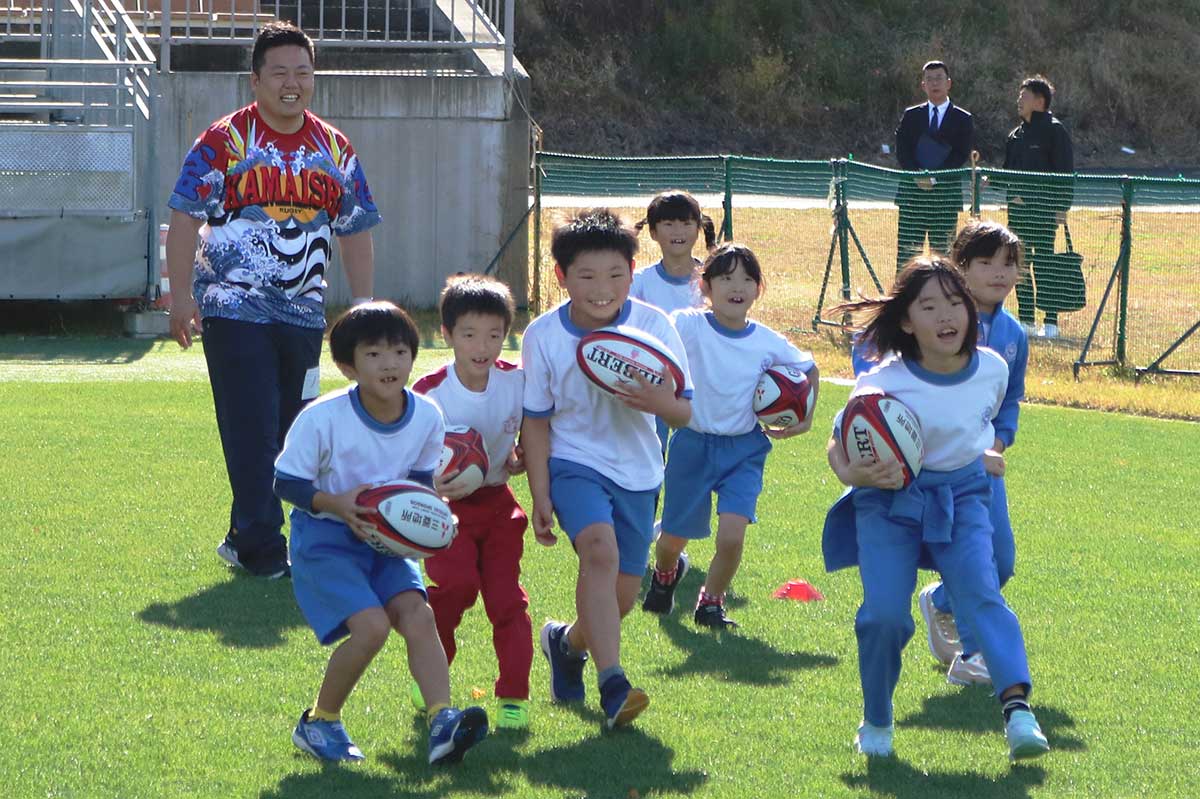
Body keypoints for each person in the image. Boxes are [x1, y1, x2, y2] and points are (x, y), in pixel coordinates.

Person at [165, 21, 380, 579]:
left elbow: (355, 229)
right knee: (252, 423)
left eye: (302, 73)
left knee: (295, 427)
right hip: (233, 308)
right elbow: (185, 216)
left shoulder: (335, 148)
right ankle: (261, 544)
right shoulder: (224, 141)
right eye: (279, 72)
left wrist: (365, 308)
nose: (292, 83)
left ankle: (248, 532)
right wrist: (181, 296)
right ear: (255, 79)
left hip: (304, 313)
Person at [822, 256, 1049, 761]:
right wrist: (851, 472)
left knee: (983, 596)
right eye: (928, 306)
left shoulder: (992, 368)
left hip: (964, 497)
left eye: (954, 302)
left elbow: (979, 423)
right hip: (887, 502)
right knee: (882, 616)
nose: (946, 316)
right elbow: (839, 441)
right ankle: (877, 718)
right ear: (906, 320)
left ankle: (1017, 711)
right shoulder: (885, 381)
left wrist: (981, 453)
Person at [273, 301, 488, 764]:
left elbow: (417, 486)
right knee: (370, 628)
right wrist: (337, 503)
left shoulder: (428, 417)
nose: (389, 363)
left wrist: (435, 519)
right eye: (373, 354)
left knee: (419, 616)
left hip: (385, 543)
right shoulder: (323, 418)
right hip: (326, 538)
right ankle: (319, 722)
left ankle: (441, 722)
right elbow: (286, 481)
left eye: (399, 351)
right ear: (348, 365)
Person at [521, 208, 693, 729]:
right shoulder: (543, 335)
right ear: (560, 277)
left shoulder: (652, 325)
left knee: (618, 599)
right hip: (574, 463)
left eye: (616, 275)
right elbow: (535, 421)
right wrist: (541, 493)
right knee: (598, 551)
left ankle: (565, 644)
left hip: (639, 474)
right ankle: (613, 684)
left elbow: (685, 412)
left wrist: (656, 401)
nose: (603, 288)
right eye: (587, 276)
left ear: (632, 271)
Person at [855, 222, 1029, 686]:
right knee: (974, 565)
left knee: (1002, 562)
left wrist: (993, 446)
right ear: (960, 268)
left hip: (980, 467)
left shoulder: (1012, 336)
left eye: (1009, 264)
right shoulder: (928, 316)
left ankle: (940, 602)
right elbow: (875, 370)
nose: (999, 273)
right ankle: (974, 655)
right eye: (985, 262)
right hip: (921, 473)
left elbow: (1007, 402)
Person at [642, 243, 818, 628]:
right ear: (705, 287)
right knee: (672, 539)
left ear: (759, 288)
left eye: (747, 278)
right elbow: (653, 339)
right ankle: (665, 574)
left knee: (732, 537)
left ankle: (711, 602)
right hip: (692, 444)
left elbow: (810, 368)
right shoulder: (688, 324)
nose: (737, 286)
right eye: (725, 277)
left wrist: (805, 417)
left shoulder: (767, 341)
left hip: (744, 449)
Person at [412, 275, 533, 730]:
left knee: (507, 601)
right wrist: (433, 485)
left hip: (501, 507)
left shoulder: (517, 382)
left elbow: (533, 432)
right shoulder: (428, 393)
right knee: (455, 589)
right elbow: (406, 456)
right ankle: (431, 679)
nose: (483, 346)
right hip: (443, 511)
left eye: (494, 335)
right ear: (446, 334)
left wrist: (519, 455)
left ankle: (514, 698)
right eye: (469, 334)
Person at [1002, 75, 1075, 338]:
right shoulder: (1016, 135)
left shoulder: (1055, 131)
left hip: (1043, 212)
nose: (1019, 101)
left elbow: (1065, 173)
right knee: (1019, 265)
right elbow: (1007, 172)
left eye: (1025, 96)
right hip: (1018, 213)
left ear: (1040, 101)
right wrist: (990, 180)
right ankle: (1026, 321)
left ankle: (1051, 322)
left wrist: (1061, 207)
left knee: (1045, 266)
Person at [894, 61, 974, 270]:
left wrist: (935, 177)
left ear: (949, 83)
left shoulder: (962, 118)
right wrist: (917, 175)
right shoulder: (911, 115)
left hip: (944, 198)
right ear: (923, 85)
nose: (934, 83)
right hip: (913, 197)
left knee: (944, 259)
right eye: (929, 79)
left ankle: (944, 300)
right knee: (907, 257)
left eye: (938, 78)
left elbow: (960, 154)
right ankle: (904, 302)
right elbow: (902, 149)